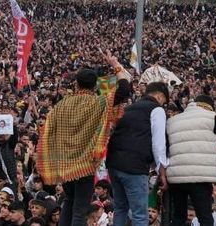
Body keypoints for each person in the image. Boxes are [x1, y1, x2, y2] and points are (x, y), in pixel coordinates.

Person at [37, 51, 132, 226]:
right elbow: (125, 88)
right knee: (80, 210)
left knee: (69, 202)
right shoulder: (99, 102)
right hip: (85, 165)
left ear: (76, 83)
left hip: (65, 164)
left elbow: (48, 130)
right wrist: (115, 64)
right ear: (95, 85)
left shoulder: (61, 105)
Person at [166, 94, 216, 226]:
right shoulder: (209, 117)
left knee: (178, 216)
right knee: (205, 216)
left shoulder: (173, 120)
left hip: (177, 176)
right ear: (209, 107)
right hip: (200, 176)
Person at [106, 81, 170, 226]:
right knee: (140, 213)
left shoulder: (129, 108)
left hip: (114, 163)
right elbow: (158, 143)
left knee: (121, 208)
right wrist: (162, 170)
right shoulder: (156, 110)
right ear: (160, 96)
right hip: (134, 165)